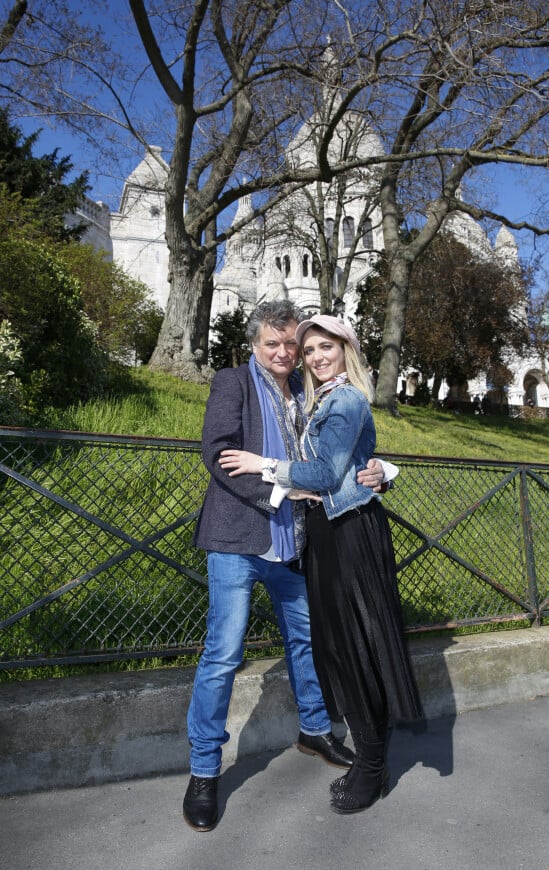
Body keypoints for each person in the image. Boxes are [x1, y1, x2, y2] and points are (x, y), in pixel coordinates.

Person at [184, 301, 386, 832]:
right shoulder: (233, 383)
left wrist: (383, 469)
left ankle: (315, 729)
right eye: (273, 344)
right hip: (238, 539)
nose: (283, 352)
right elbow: (218, 452)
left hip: (294, 542)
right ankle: (204, 771)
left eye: (290, 344)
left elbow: (343, 448)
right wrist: (279, 492)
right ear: (255, 344)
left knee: (307, 641)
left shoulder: (308, 390)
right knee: (223, 653)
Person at [220, 314, 424, 815]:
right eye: (308, 350)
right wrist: (383, 470)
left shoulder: (347, 397)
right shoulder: (322, 401)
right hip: (327, 534)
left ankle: (373, 765)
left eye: (324, 346)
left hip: (351, 535)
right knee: (340, 649)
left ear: (345, 349)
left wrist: (262, 464)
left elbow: (330, 473)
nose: (314, 356)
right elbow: (361, 453)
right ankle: (371, 756)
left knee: (357, 649)